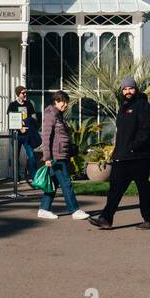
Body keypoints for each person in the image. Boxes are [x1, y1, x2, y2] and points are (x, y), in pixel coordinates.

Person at [89, 77, 150, 230]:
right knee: (115, 189)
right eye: (125, 89)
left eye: (130, 88)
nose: (127, 91)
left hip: (138, 156)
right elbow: (121, 132)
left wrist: (134, 147)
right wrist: (116, 150)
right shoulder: (123, 106)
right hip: (122, 156)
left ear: (136, 89)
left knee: (143, 188)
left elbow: (147, 130)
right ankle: (105, 219)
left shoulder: (142, 105)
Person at [37, 91, 89, 220]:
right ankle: (75, 210)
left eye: (66, 102)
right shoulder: (51, 115)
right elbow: (46, 136)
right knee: (66, 183)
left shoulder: (59, 115)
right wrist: (47, 157)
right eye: (62, 101)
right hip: (56, 156)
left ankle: (44, 209)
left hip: (62, 155)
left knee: (53, 184)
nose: (65, 104)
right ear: (56, 102)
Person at [9, 86, 40, 183]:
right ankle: (16, 177)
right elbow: (11, 120)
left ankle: (34, 177)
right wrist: (19, 127)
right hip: (16, 135)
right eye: (23, 93)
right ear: (18, 94)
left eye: (25, 92)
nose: (25, 94)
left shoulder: (29, 104)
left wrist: (29, 122)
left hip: (27, 135)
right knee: (15, 157)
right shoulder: (12, 105)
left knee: (31, 156)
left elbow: (34, 118)